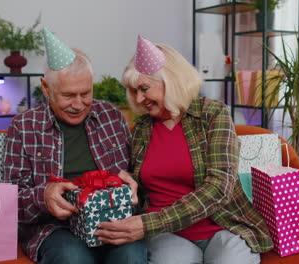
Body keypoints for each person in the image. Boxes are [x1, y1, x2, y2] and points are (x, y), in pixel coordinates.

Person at [94, 35, 274, 264]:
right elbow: (141, 179)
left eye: (144, 88)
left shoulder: (213, 114)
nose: (139, 98)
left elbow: (220, 187)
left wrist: (148, 224)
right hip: (166, 235)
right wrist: (127, 182)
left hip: (222, 226)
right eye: (134, 91)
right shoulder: (141, 128)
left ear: (170, 80)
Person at [3, 28, 146, 264]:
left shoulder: (111, 115)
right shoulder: (24, 126)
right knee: (73, 258)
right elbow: (10, 200)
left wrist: (132, 183)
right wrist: (44, 195)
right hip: (54, 228)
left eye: (86, 93)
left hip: (113, 220)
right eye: (69, 95)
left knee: (131, 256)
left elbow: (137, 175)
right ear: (46, 88)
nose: (79, 104)